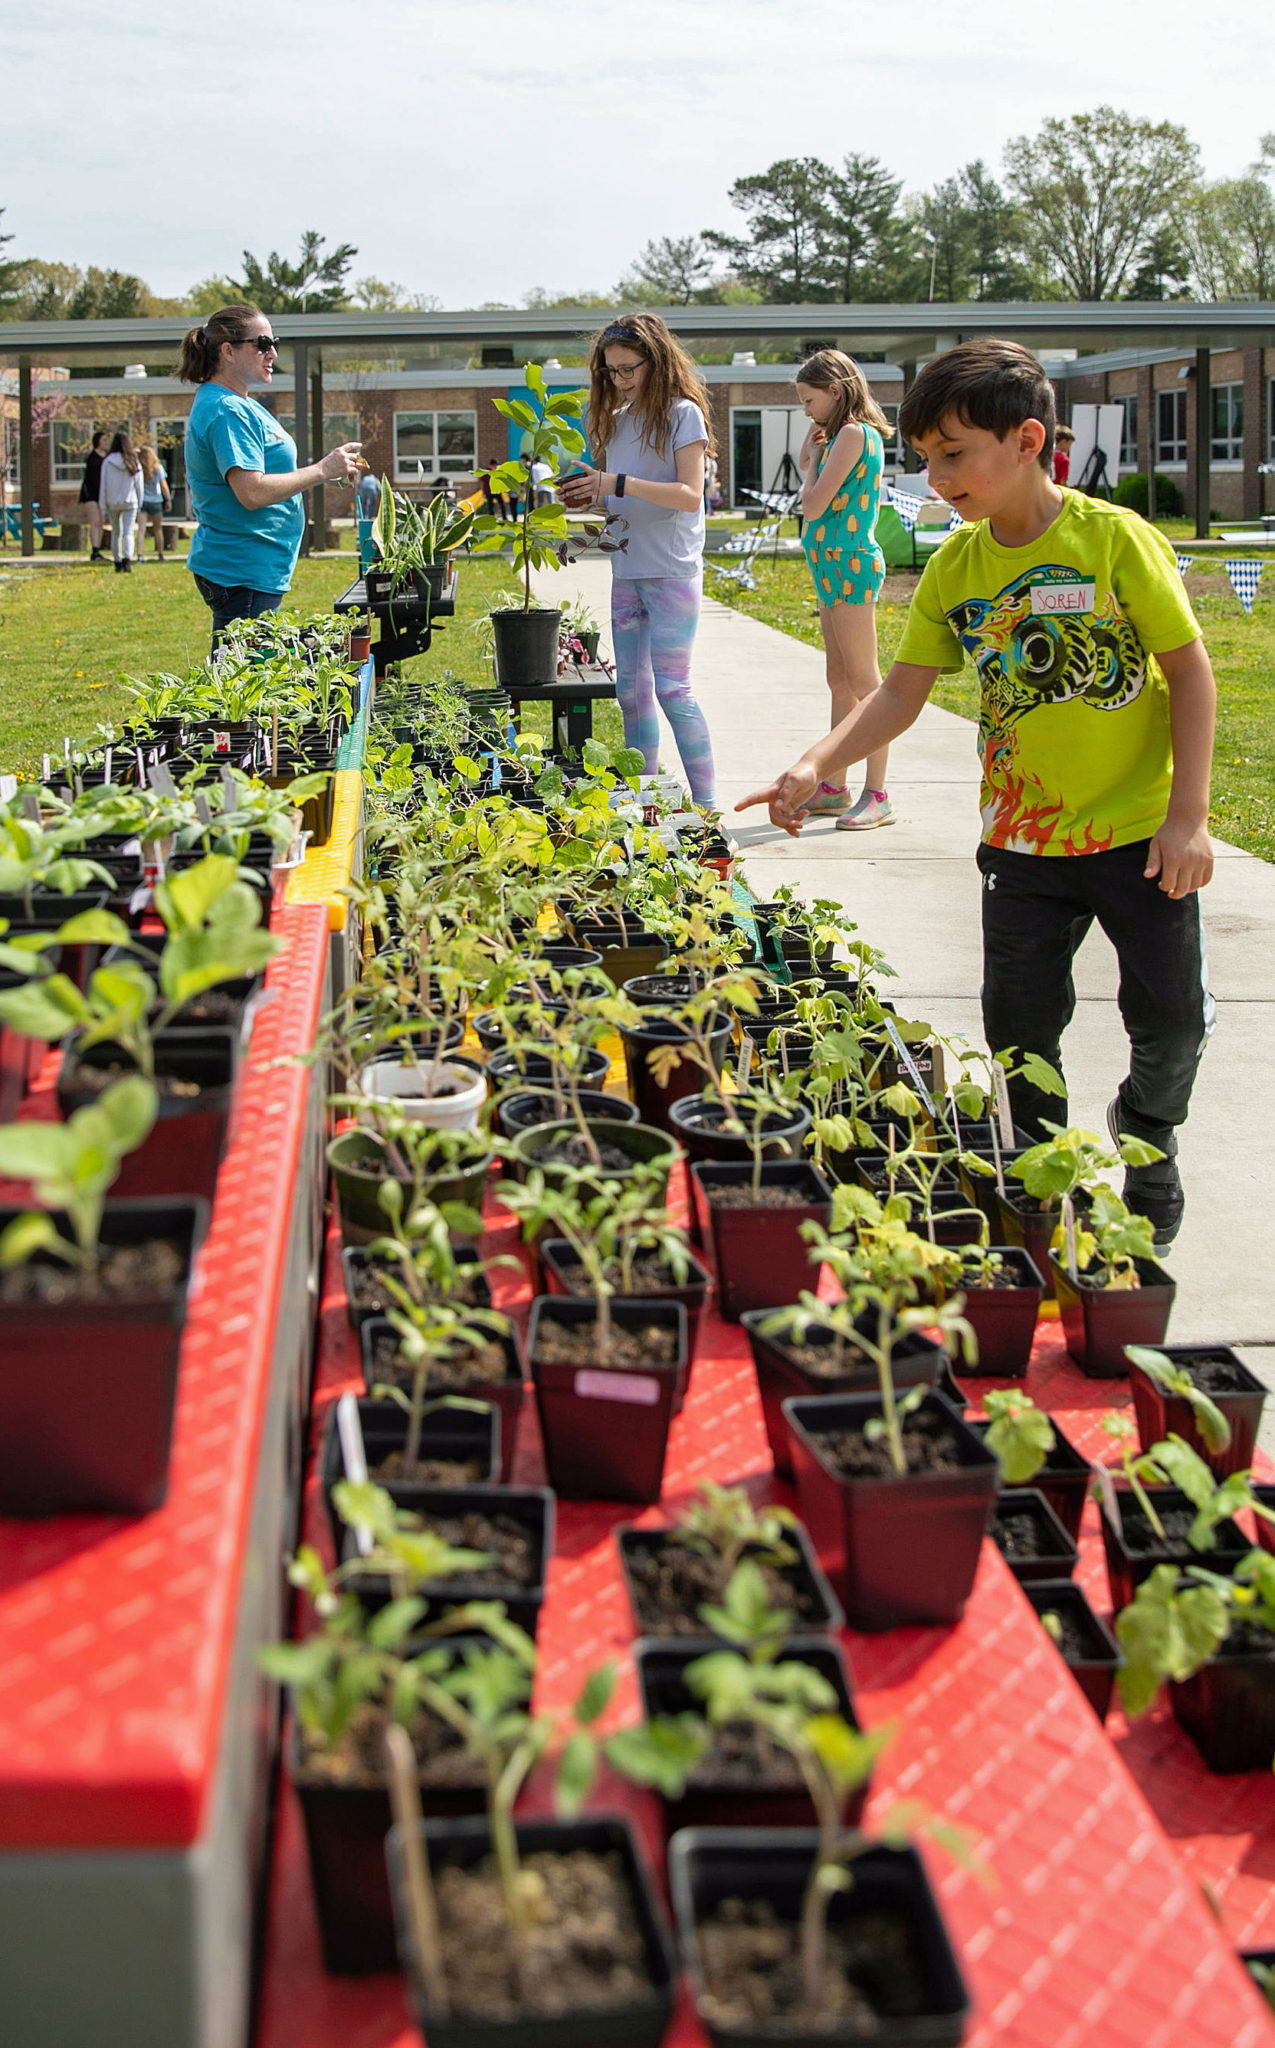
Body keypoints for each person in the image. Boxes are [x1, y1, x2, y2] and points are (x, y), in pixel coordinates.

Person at [737, 338, 1217, 1250]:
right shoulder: (956, 568)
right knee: (1020, 1033)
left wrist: (1186, 817)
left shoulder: (1112, 540)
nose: (935, 475)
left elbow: (1190, 675)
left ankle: (1148, 1132)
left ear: (1027, 439)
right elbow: (899, 692)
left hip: (1136, 838)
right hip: (1022, 848)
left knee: (1171, 1021)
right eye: (925, 458)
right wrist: (816, 762)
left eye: (953, 454)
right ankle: (1038, 1185)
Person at [560, 312, 717, 807]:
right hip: (627, 570)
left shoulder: (682, 414)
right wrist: (591, 500)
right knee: (630, 690)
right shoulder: (618, 423)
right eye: (612, 371)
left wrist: (614, 484)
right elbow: (619, 503)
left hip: (671, 571)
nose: (621, 380)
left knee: (673, 690)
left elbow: (690, 495)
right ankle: (644, 799)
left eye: (630, 368)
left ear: (658, 360)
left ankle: (709, 810)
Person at [176, 303, 362, 650]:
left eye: (274, 342)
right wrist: (323, 469)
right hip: (242, 570)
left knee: (248, 681)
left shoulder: (239, 403)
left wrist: (327, 471)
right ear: (227, 351)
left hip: (252, 568)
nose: (273, 352)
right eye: (262, 344)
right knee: (246, 688)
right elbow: (252, 492)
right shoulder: (226, 410)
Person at [792, 348, 894, 830]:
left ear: (835, 391)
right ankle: (835, 784)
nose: (806, 410)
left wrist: (812, 459)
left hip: (849, 566)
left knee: (866, 683)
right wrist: (812, 452)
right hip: (831, 568)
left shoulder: (854, 433)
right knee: (839, 680)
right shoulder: (840, 436)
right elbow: (811, 484)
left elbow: (813, 506)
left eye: (810, 400)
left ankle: (878, 793)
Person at [98, 431, 145, 573]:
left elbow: (103, 485)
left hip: (112, 502)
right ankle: (127, 559)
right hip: (130, 501)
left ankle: (117, 561)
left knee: (116, 532)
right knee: (128, 532)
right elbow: (139, 485)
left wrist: (103, 505)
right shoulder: (133, 460)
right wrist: (140, 502)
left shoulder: (107, 461)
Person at [79, 429, 110, 561]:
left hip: (103, 494)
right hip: (91, 493)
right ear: (97, 442)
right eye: (104, 440)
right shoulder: (92, 458)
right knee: (95, 521)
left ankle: (99, 550)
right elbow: (91, 478)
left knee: (102, 522)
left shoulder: (109, 457)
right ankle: (94, 550)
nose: (106, 442)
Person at [138, 445, 171, 559]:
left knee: (141, 529)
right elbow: (163, 485)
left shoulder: (139, 468)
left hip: (142, 500)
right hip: (156, 501)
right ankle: (160, 554)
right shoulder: (158, 468)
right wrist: (167, 499)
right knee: (157, 529)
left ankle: (139, 554)